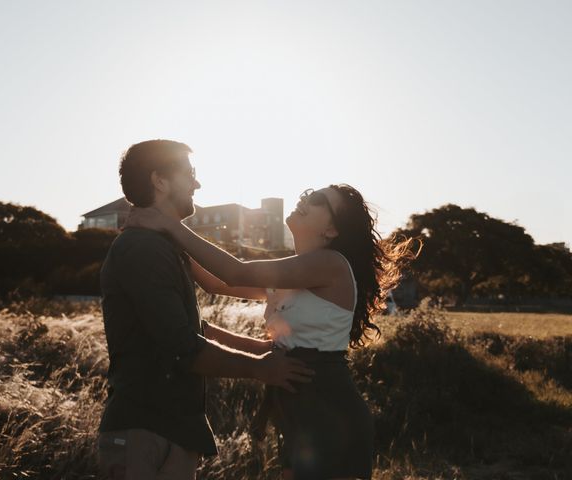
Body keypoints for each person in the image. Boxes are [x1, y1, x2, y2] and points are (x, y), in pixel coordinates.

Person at [125, 182, 417, 480]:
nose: (305, 199)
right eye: (308, 193)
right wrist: (171, 244)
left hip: (329, 411)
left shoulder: (331, 265)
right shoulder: (295, 273)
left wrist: (169, 225)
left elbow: (235, 272)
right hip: (296, 410)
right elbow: (219, 284)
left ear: (331, 230)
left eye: (317, 200)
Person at [97, 139, 314, 480]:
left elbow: (208, 306)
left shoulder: (165, 245)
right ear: (160, 181)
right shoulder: (141, 248)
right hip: (145, 431)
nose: (197, 183)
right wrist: (261, 368)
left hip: (172, 430)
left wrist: (263, 348)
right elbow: (184, 347)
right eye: (190, 173)